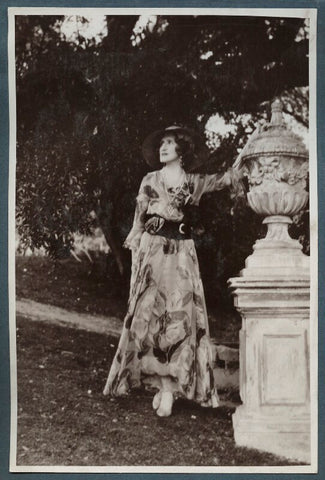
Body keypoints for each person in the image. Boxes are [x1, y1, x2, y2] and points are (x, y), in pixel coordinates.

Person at [103, 125, 244, 417]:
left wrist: (240, 166)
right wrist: (138, 248)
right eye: (161, 144)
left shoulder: (192, 183)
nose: (162, 148)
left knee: (180, 316)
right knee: (149, 314)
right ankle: (161, 384)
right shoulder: (149, 180)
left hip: (182, 253)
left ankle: (168, 386)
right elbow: (139, 221)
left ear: (182, 150)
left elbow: (223, 180)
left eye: (168, 144)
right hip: (153, 250)